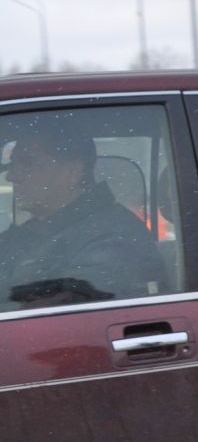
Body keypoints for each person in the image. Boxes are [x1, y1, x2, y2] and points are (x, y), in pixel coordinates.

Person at [0, 118, 163, 310]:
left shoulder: (112, 237)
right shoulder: (40, 229)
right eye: (12, 164)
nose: (11, 176)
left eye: (28, 163)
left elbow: (55, 314)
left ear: (73, 172)